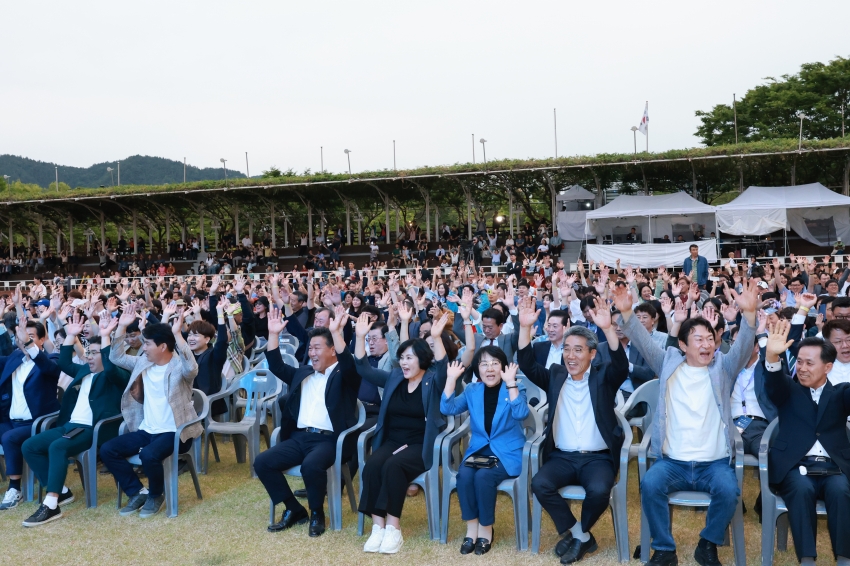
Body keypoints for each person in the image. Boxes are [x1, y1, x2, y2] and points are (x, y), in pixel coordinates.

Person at [613, 279, 759, 566]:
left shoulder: (723, 369)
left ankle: (707, 544)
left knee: (729, 491)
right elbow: (642, 342)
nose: (706, 345)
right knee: (650, 485)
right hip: (673, 462)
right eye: (698, 339)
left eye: (710, 339)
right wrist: (627, 314)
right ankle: (665, 549)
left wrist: (750, 315)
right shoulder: (668, 362)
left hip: (714, 463)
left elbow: (742, 348)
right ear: (682, 344)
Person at [517, 295, 627, 564]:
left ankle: (579, 536)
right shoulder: (555, 375)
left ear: (592, 353)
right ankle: (581, 535)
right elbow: (528, 365)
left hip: (597, 457)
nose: (571, 355)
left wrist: (608, 328)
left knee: (600, 490)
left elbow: (621, 367)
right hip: (562, 457)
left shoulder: (603, 377)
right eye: (567, 349)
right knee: (540, 485)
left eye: (578, 350)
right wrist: (524, 328)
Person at [256, 305, 360, 537]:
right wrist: (273, 334)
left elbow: (349, 364)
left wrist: (336, 333)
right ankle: (294, 509)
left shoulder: (343, 376)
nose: (312, 352)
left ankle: (317, 513)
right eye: (310, 348)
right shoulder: (303, 373)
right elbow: (276, 365)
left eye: (317, 348)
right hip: (298, 437)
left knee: (311, 466)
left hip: (329, 440)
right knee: (263, 462)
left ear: (332, 351)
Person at [19, 313, 129, 526]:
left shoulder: (115, 376)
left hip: (93, 429)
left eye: (94, 353)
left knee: (57, 448)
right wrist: (70, 336)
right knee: (30, 446)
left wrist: (105, 336)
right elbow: (63, 361)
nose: (89, 356)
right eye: (88, 352)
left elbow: (111, 363)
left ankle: (51, 505)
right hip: (69, 426)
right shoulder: (83, 371)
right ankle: (61, 491)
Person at [355, 313, 451, 554]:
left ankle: (393, 528)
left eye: (410, 358)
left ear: (422, 359)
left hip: (421, 444)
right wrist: (359, 337)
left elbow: (443, 369)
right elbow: (364, 369)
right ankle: (378, 526)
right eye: (402, 358)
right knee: (374, 464)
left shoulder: (432, 381)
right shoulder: (395, 377)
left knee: (393, 466)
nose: (405, 363)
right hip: (393, 439)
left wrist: (437, 338)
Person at [100, 303, 201, 518]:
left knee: (148, 455)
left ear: (163, 346)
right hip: (147, 430)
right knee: (108, 449)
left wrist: (178, 336)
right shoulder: (142, 362)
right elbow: (115, 357)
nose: (142, 347)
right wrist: (121, 328)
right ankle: (137, 492)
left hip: (175, 432)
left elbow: (192, 368)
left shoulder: (179, 368)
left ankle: (156, 495)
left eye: (147, 343)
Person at [763, 321, 850, 566]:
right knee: (802, 489)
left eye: (809, 363)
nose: (802, 368)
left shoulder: (841, 392)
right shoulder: (788, 390)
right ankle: (807, 559)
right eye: (799, 361)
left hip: (834, 468)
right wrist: (771, 355)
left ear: (828, 367)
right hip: (795, 467)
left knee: (841, 490)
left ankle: (844, 558)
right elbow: (773, 383)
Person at [441, 347, 528, 555]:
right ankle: (472, 527)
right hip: (479, 449)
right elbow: (447, 409)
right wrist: (451, 379)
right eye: (484, 364)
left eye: (495, 363)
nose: (490, 368)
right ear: (478, 369)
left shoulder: (516, 387)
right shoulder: (472, 390)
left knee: (484, 477)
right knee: (464, 476)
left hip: (506, 452)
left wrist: (511, 383)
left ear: (504, 367)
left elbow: (521, 413)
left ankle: (486, 529)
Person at [0, 311, 61, 511]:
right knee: (7, 433)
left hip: (38, 423)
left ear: (42, 340)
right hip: (11, 420)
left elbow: (49, 368)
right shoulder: (15, 358)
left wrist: (29, 345)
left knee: (9, 438)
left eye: (31, 338)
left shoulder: (49, 360)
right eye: (21, 338)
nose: (24, 342)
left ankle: (14, 488)